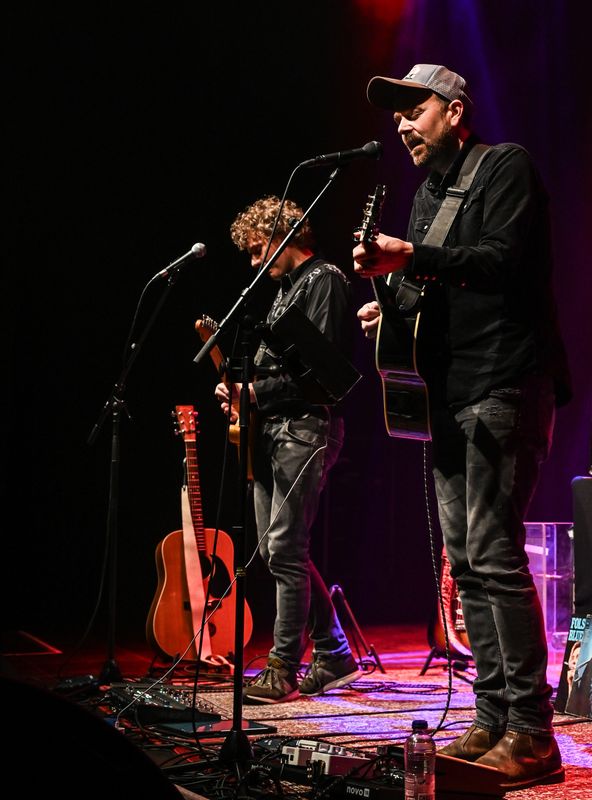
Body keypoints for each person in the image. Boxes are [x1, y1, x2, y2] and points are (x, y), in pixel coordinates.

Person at [353, 64, 572, 789]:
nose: (401, 125)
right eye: (395, 116)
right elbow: (433, 287)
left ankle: (532, 732)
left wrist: (412, 257)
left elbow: (500, 262)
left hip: (506, 381)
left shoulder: (505, 166)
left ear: (453, 111)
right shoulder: (426, 197)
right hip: (448, 394)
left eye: (413, 109)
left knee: (494, 551)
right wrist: (391, 307)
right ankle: (492, 715)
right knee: (466, 561)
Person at [215, 195, 362, 704]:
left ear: (285, 235)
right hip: (273, 430)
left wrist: (255, 393)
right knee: (279, 550)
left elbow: (321, 371)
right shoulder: (284, 291)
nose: (255, 263)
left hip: (305, 428)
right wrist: (239, 389)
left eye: (259, 250)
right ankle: (334, 651)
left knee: (284, 549)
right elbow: (278, 365)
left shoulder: (325, 280)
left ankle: (282, 667)